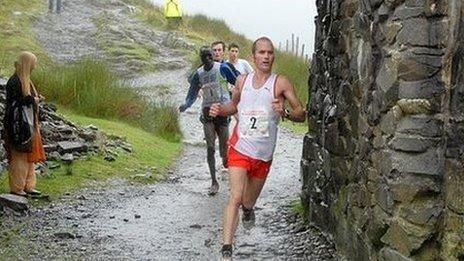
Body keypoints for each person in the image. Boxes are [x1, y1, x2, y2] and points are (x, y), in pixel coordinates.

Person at [209, 37, 306, 258]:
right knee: (235, 196)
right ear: (253, 57)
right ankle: (227, 247)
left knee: (247, 201)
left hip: (263, 156)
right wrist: (219, 110)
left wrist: (286, 112)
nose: (266, 56)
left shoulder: (281, 83)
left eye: (270, 53)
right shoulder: (242, 81)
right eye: (261, 52)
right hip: (240, 148)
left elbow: (301, 113)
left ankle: (249, 210)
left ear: (273, 56)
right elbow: (233, 106)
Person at [179, 46, 238, 196]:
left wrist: (241, 96)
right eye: (204, 57)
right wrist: (186, 105)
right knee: (210, 147)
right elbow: (191, 93)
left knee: (224, 152)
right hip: (207, 113)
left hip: (222, 111)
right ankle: (214, 182)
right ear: (201, 58)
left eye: (209, 56)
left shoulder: (222, 68)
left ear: (212, 56)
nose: (207, 59)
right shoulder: (198, 74)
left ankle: (226, 161)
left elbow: (238, 80)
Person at [2, 51, 46, 197]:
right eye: (33, 64)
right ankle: (17, 187)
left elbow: (26, 99)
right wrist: (34, 101)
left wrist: (35, 99)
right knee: (19, 157)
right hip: (18, 124)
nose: (34, 67)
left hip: (28, 123)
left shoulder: (26, 80)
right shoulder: (14, 81)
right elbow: (16, 103)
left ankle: (28, 185)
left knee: (29, 156)